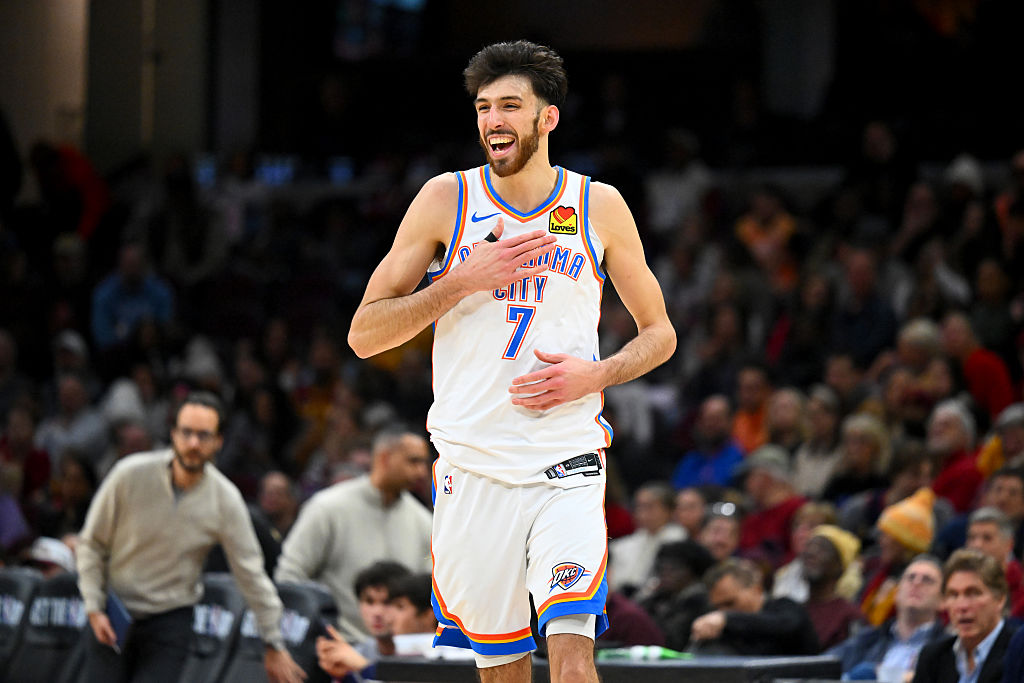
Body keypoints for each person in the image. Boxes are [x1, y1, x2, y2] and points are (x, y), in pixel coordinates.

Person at [346, 40, 676, 682]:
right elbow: (364, 334)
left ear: (546, 118)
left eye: (510, 106)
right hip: (472, 468)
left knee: (572, 652)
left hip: (567, 457)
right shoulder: (446, 200)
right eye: (483, 107)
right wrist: (459, 282)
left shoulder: (598, 205)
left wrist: (599, 373)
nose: (493, 120)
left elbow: (660, 333)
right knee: (502, 669)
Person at [75, 391, 306, 683]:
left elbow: (251, 574)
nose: (193, 443)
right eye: (186, 433)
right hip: (113, 610)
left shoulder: (225, 499)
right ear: (173, 434)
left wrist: (273, 642)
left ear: (218, 441)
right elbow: (91, 544)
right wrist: (94, 608)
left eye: (203, 435)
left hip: (171, 619)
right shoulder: (128, 475)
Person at [275, 428, 432, 640]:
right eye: (413, 461)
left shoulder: (423, 521)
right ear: (385, 458)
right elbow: (289, 578)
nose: (422, 472)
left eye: (424, 463)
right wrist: (320, 634)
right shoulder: (327, 507)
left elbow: (429, 594)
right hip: (333, 652)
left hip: (401, 658)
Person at [828, 555, 947, 681]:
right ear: (896, 594)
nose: (916, 583)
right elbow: (819, 667)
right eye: (910, 577)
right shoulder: (869, 639)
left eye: (927, 580)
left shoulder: (949, 649)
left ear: (943, 600)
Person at [911, 549, 1018, 683]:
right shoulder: (933, 656)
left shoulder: (1018, 651)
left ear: (1000, 599)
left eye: (973, 593)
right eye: (953, 595)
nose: (962, 606)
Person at [690, 558, 819, 656]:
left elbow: (784, 624)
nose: (724, 611)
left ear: (756, 589)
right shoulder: (727, 630)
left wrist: (727, 619)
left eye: (730, 603)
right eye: (718, 607)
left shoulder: (786, 607)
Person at [608, 480, 686, 594]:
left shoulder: (678, 539)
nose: (642, 513)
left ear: (669, 510)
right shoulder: (621, 546)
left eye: (649, 507)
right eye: (639, 507)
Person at [669, 394, 744, 489]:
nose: (710, 425)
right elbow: (677, 489)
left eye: (716, 419)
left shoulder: (737, 459)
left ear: (729, 422)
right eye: (706, 419)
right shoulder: (690, 459)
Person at [965, 507, 1024, 618]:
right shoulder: (957, 586)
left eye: (987, 538)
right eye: (972, 538)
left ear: (1009, 544)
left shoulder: (1020, 594)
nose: (977, 545)